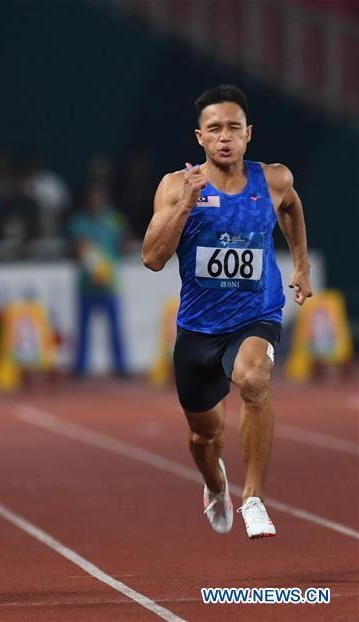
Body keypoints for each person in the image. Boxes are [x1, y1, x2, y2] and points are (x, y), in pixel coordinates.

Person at [142, 84, 312, 539]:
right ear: (199, 137)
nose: (224, 137)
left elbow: (292, 208)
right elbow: (152, 258)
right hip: (198, 328)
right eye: (214, 129)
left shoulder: (273, 179)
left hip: (256, 313)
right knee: (204, 436)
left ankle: (253, 498)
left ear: (248, 133)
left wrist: (300, 263)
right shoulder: (176, 186)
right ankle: (216, 485)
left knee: (255, 381)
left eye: (233, 128)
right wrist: (187, 204)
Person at [70, 184, 129, 377]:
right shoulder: (80, 221)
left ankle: (120, 366)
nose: (96, 202)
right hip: (87, 284)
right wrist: (92, 265)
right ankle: (80, 367)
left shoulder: (114, 219)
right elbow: (77, 247)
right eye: (92, 198)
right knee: (83, 328)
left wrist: (112, 258)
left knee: (115, 328)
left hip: (109, 284)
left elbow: (125, 240)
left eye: (99, 198)